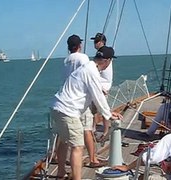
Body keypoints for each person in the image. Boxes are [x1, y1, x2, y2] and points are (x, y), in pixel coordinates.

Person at [51, 45, 122, 180]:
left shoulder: (87, 68)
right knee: (78, 146)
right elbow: (98, 96)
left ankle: (60, 173)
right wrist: (108, 114)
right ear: (107, 61)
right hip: (68, 111)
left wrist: (108, 112)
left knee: (64, 141)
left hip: (57, 107)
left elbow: (93, 91)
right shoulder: (92, 71)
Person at [113, 109, 171, 180]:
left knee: (144, 177)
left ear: (169, 123)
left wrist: (127, 167)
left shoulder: (170, 138)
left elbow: (148, 158)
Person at [63, 35, 109, 168]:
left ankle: (60, 164)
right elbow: (90, 75)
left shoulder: (66, 60)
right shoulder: (83, 58)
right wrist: (101, 90)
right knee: (87, 130)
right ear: (79, 45)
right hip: (80, 100)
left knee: (65, 136)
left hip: (67, 100)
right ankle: (93, 159)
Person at [91, 32, 112, 141]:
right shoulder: (100, 54)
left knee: (104, 110)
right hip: (98, 86)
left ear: (102, 42)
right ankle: (94, 129)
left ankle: (105, 132)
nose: (94, 44)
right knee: (93, 110)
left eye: (96, 41)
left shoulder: (104, 54)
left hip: (103, 86)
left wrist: (102, 87)